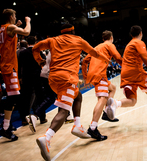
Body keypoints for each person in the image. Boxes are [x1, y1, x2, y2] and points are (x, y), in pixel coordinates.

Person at [32, 23, 109, 161]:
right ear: (73, 31)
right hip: (67, 78)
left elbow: (35, 48)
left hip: (53, 79)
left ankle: (77, 125)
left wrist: (40, 61)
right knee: (63, 111)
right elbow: (94, 53)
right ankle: (46, 137)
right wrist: (105, 58)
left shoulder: (53, 40)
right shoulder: (78, 40)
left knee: (77, 96)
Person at [106, 25, 147, 128]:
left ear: (131, 34)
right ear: (141, 33)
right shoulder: (138, 42)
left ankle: (116, 103)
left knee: (132, 100)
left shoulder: (129, 44)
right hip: (136, 72)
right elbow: (146, 58)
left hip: (125, 74)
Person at [81, 30, 122, 141]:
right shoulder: (109, 44)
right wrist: (126, 67)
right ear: (111, 37)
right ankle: (93, 128)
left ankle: (106, 113)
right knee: (102, 98)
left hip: (95, 74)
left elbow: (84, 61)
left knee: (112, 88)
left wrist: (85, 77)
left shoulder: (96, 47)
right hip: (100, 75)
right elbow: (117, 57)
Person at [0, 8, 31, 141]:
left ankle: (7, 125)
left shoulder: (3, 28)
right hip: (9, 66)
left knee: (12, 96)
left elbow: (8, 39)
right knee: (13, 96)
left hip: (7, 65)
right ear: (11, 16)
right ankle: (5, 127)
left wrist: (16, 26)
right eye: (14, 15)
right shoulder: (10, 27)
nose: (15, 16)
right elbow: (27, 32)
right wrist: (28, 21)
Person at [18, 36, 42, 132]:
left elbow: (19, 65)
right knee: (38, 96)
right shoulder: (38, 51)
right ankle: (40, 116)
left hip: (26, 77)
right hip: (37, 76)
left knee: (25, 97)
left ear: (27, 42)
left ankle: (24, 118)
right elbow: (42, 63)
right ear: (35, 41)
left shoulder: (22, 52)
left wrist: (19, 77)